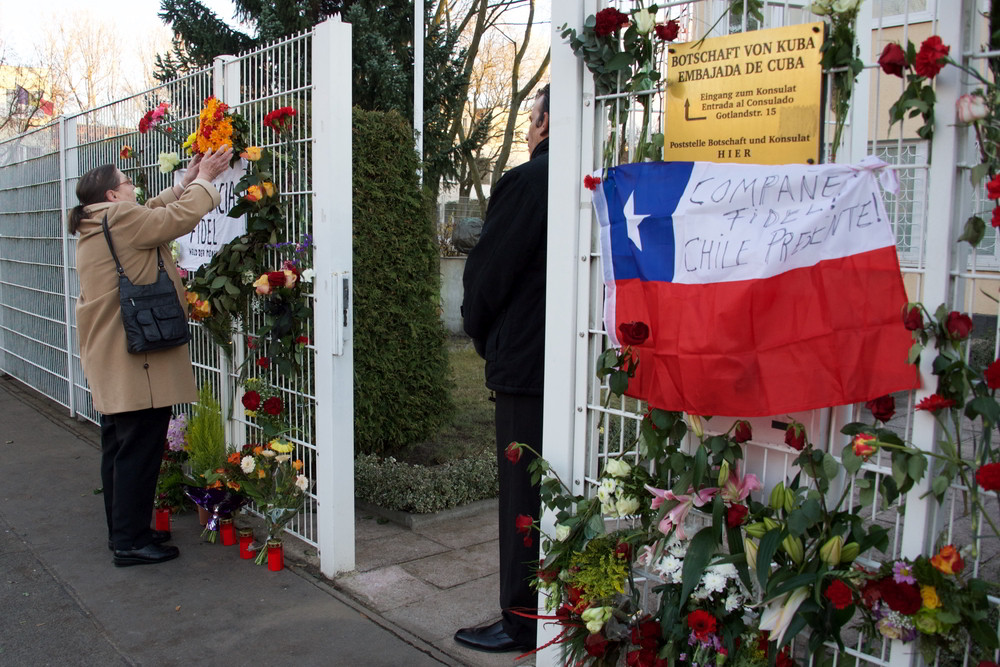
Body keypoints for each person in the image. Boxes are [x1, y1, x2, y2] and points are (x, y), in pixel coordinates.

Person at [69, 146, 233, 567]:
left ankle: (124, 531)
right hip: (135, 356)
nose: (134, 188)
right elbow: (170, 221)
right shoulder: (120, 218)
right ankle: (130, 543)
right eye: (127, 184)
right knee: (140, 449)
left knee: (120, 446)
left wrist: (183, 182)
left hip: (112, 355)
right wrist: (205, 180)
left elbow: (151, 214)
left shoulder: (99, 222)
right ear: (111, 195)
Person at [456, 83, 549, 653]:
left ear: (542, 123)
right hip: (571, 361)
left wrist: (478, 328)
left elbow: (488, 274)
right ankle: (559, 604)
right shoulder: (596, 180)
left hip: (527, 363)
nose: (531, 127)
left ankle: (522, 619)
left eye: (534, 118)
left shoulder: (529, 181)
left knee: (524, 495)